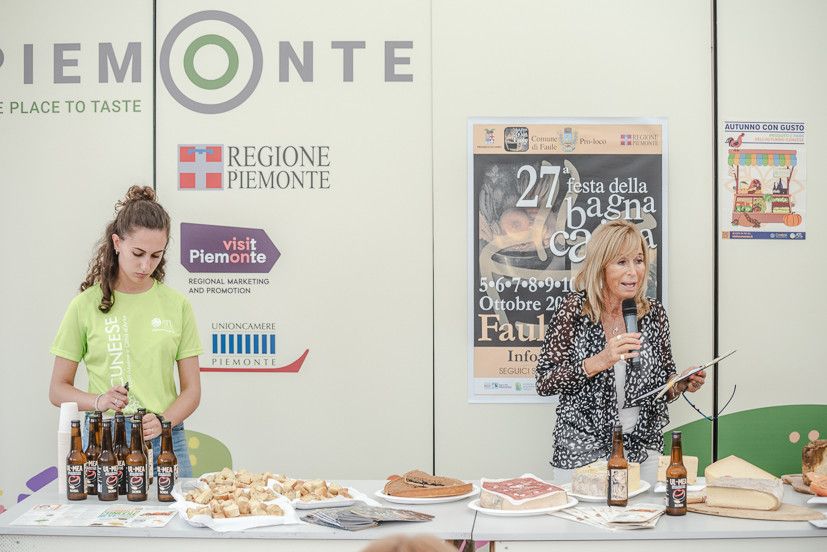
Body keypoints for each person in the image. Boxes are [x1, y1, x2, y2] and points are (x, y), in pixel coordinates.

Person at [48, 185, 202, 477]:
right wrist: (98, 401)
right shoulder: (84, 305)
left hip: (165, 439)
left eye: (156, 256)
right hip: (104, 440)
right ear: (117, 243)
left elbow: (192, 391)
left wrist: (163, 421)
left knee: (177, 508)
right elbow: (57, 389)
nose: (146, 265)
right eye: (138, 253)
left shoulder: (177, 305)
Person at [535, 220, 705, 482]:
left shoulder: (654, 313)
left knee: (645, 509)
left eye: (639, 261)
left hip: (642, 449)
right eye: (622, 262)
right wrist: (600, 360)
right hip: (582, 448)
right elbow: (545, 382)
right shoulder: (574, 310)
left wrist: (680, 383)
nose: (633, 272)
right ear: (601, 265)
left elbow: (664, 384)